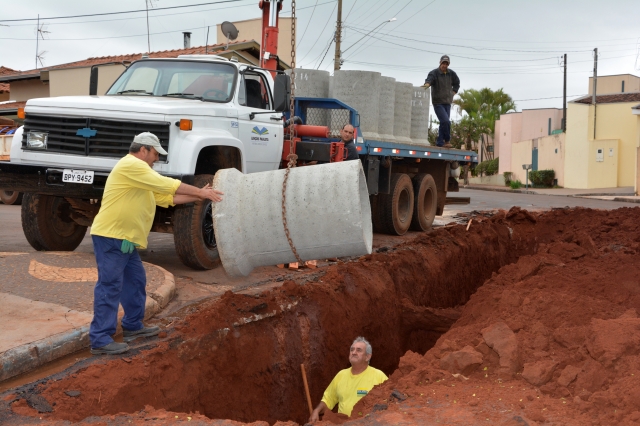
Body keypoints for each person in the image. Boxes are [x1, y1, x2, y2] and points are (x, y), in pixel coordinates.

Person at [89, 132, 224, 355]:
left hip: (126, 241)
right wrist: (199, 190)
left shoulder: (140, 176)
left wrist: (202, 196)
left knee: (136, 281)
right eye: (155, 154)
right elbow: (166, 184)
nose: (156, 159)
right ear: (143, 150)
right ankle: (100, 339)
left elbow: (168, 198)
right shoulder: (131, 165)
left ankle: (133, 326)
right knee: (110, 286)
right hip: (112, 237)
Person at [309, 337, 388, 422]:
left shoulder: (379, 376)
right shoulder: (341, 375)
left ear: (367, 357)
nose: (354, 352)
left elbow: (389, 402)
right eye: (352, 349)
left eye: (359, 350)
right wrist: (316, 411)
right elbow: (328, 400)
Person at [421, 55, 460, 148]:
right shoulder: (434, 73)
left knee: (443, 122)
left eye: (446, 64)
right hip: (438, 102)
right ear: (440, 62)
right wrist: (426, 85)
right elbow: (429, 81)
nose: (445, 65)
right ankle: (447, 141)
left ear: (448, 64)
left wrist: (453, 92)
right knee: (446, 121)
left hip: (447, 102)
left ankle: (439, 142)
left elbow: (457, 83)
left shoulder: (451, 74)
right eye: (443, 63)